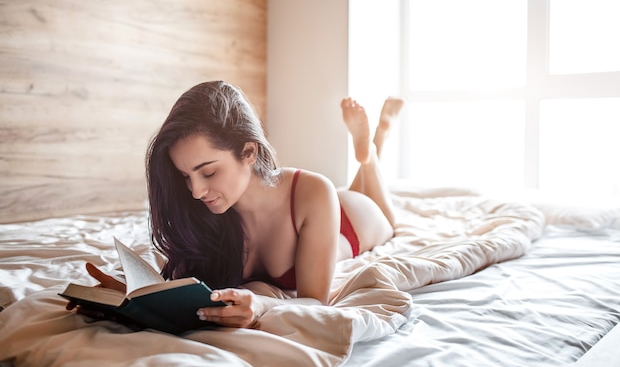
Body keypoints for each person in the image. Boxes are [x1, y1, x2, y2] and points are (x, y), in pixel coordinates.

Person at [77, 81, 404, 329]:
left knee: (383, 209)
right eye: (185, 177)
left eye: (208, 172)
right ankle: (373, 149)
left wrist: (261, 305)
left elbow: (316, 303)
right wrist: (130, 297)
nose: (195, 191)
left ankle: (374, 148)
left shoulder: (314, 190)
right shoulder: (209, 213)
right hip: (320, 217)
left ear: (249, 153)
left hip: (354, 220)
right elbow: (190, 287)